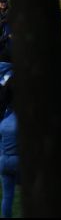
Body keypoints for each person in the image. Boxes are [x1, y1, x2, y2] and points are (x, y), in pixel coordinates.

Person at [0, 60, 17, 219]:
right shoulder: (23, 123)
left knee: (7, 196)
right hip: (19, 161)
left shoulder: (5, 123)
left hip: (4, 160)